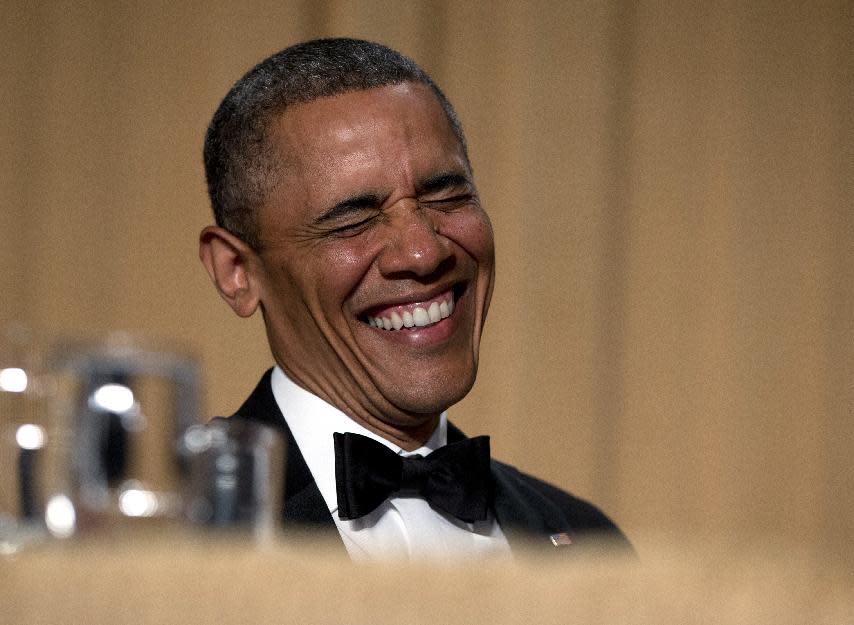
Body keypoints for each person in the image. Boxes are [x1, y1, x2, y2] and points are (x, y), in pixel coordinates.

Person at [199, 38, 630, 561]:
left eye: (447, 196)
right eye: (353, 218)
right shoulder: (174, 535)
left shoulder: (586, 544)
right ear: (237, 272)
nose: (425, 253)